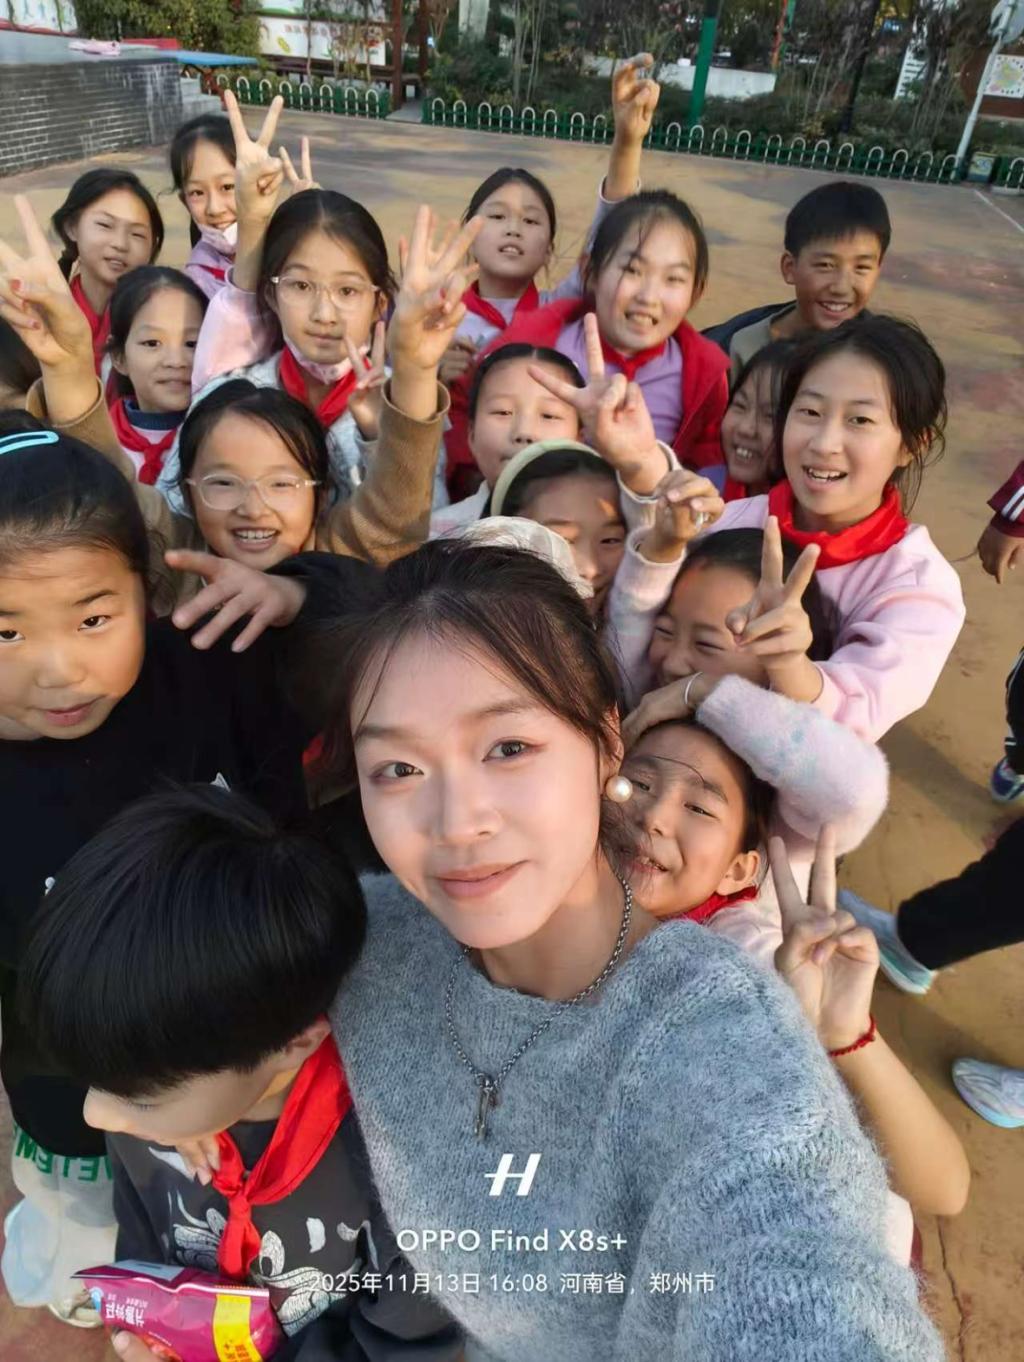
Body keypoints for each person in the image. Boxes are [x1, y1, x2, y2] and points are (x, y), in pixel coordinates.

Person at [239, 538, 942, 1361]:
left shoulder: (719, 1050)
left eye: (508, 748)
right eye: (397, 768)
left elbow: (797, 1264)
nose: (457, 822)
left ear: (609, 744)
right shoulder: (365, 939)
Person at [0, 417, 374, 1324]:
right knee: (91, 1220)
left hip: (250, 1060)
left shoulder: (213, 666)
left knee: (227, 1236)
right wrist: (131, 1106)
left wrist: (294, 595)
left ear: (148, 587)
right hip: (78, 1086)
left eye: (95, 618)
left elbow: (382, 618)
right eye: (4, 633)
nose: (59, 670)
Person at [19, 785, 463, 1360]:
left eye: (140, 1097)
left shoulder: (402, 1166)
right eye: (95, 1081)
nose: (95, 1115)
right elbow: (145, 1254)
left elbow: (407, 1345)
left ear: (294, 1042)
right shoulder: (147, 1092)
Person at [2, 195, 462, 607]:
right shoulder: (181, 560)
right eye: (223, 482)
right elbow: (118, 504)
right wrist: (67, 369)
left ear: (321, 494)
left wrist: (411, 379)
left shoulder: (336, 558)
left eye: (282, 483)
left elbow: (396, 520)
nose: (253, 506)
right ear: (188, 489)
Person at [608, 315, 965, 741]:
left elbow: (847, 735)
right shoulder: (727, 522)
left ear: (911, 445)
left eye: (860, 420)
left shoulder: (918, 589)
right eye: (810, 412)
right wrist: (660, 546)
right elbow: (630, 666)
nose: (824, 443)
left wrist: (786, 667)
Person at [441, 52, 661, 497]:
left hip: (541, 482)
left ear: (548, 250)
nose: (513, 228)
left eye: (531, 220)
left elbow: (609, 236)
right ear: (469, 235)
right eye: (497, 216)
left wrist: (626, 142)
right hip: (453, 487)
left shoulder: (558, 309)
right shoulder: (440, 317)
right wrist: (430, 373)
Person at [447, 189, 729, 476]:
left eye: (674, 279)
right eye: (632, 270)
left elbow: (709, 470)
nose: (648, 296)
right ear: (590, 273)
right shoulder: (533, 344)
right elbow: (465, 416)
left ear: (696, 292)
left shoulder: (705, 378)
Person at [704, 180, 891, 381]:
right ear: (789, 267)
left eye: (862, 267)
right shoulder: (743, 349)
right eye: (825, 265)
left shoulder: (888, 360)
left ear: (878, 269)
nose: (841, 287)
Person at [51, 168, 164, 373]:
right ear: (72, 227)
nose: (120, 244)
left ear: (152, 245)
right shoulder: (46, 316)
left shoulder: (164, 316)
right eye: (105, 225)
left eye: (137, 234)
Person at [105, 266, 208, 483]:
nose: (176, 361)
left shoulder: (217, 438)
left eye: (192, 343)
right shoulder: (99, 442)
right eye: (152, 343)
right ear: (119, 357)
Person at [169, 110, 240, 299]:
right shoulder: (196, 283)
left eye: (227, 187)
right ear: (184, 201)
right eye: (197, 193)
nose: (214, 208)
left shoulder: (285, 246)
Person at [711, 339, 794, 500]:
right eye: (740, 405)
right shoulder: (708, 486)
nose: (745, 428)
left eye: (770, 416)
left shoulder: (807, 513)